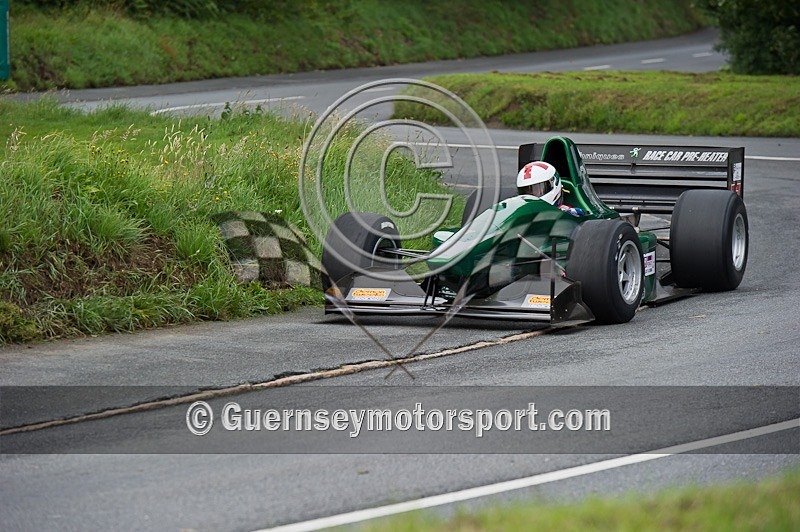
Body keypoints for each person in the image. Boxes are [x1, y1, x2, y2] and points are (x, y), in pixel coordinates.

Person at [516, 161, 585, 216]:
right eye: (526, 192)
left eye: (536, 190)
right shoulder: (518, 213)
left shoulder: (567, 213)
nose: (531, 196)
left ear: (553, 183)